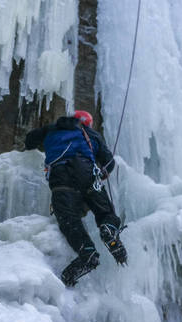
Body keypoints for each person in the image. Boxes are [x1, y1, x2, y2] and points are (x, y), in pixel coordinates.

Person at [25, 110, 127, 286]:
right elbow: (109, 162)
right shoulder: (90, 134)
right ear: (87, 123)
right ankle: (108, 229)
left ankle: (87, 253)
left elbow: (29, 140)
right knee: (105, 211)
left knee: (69, 220)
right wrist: (102, 174)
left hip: (61, 177)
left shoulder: (51, 130)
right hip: (87, 173)